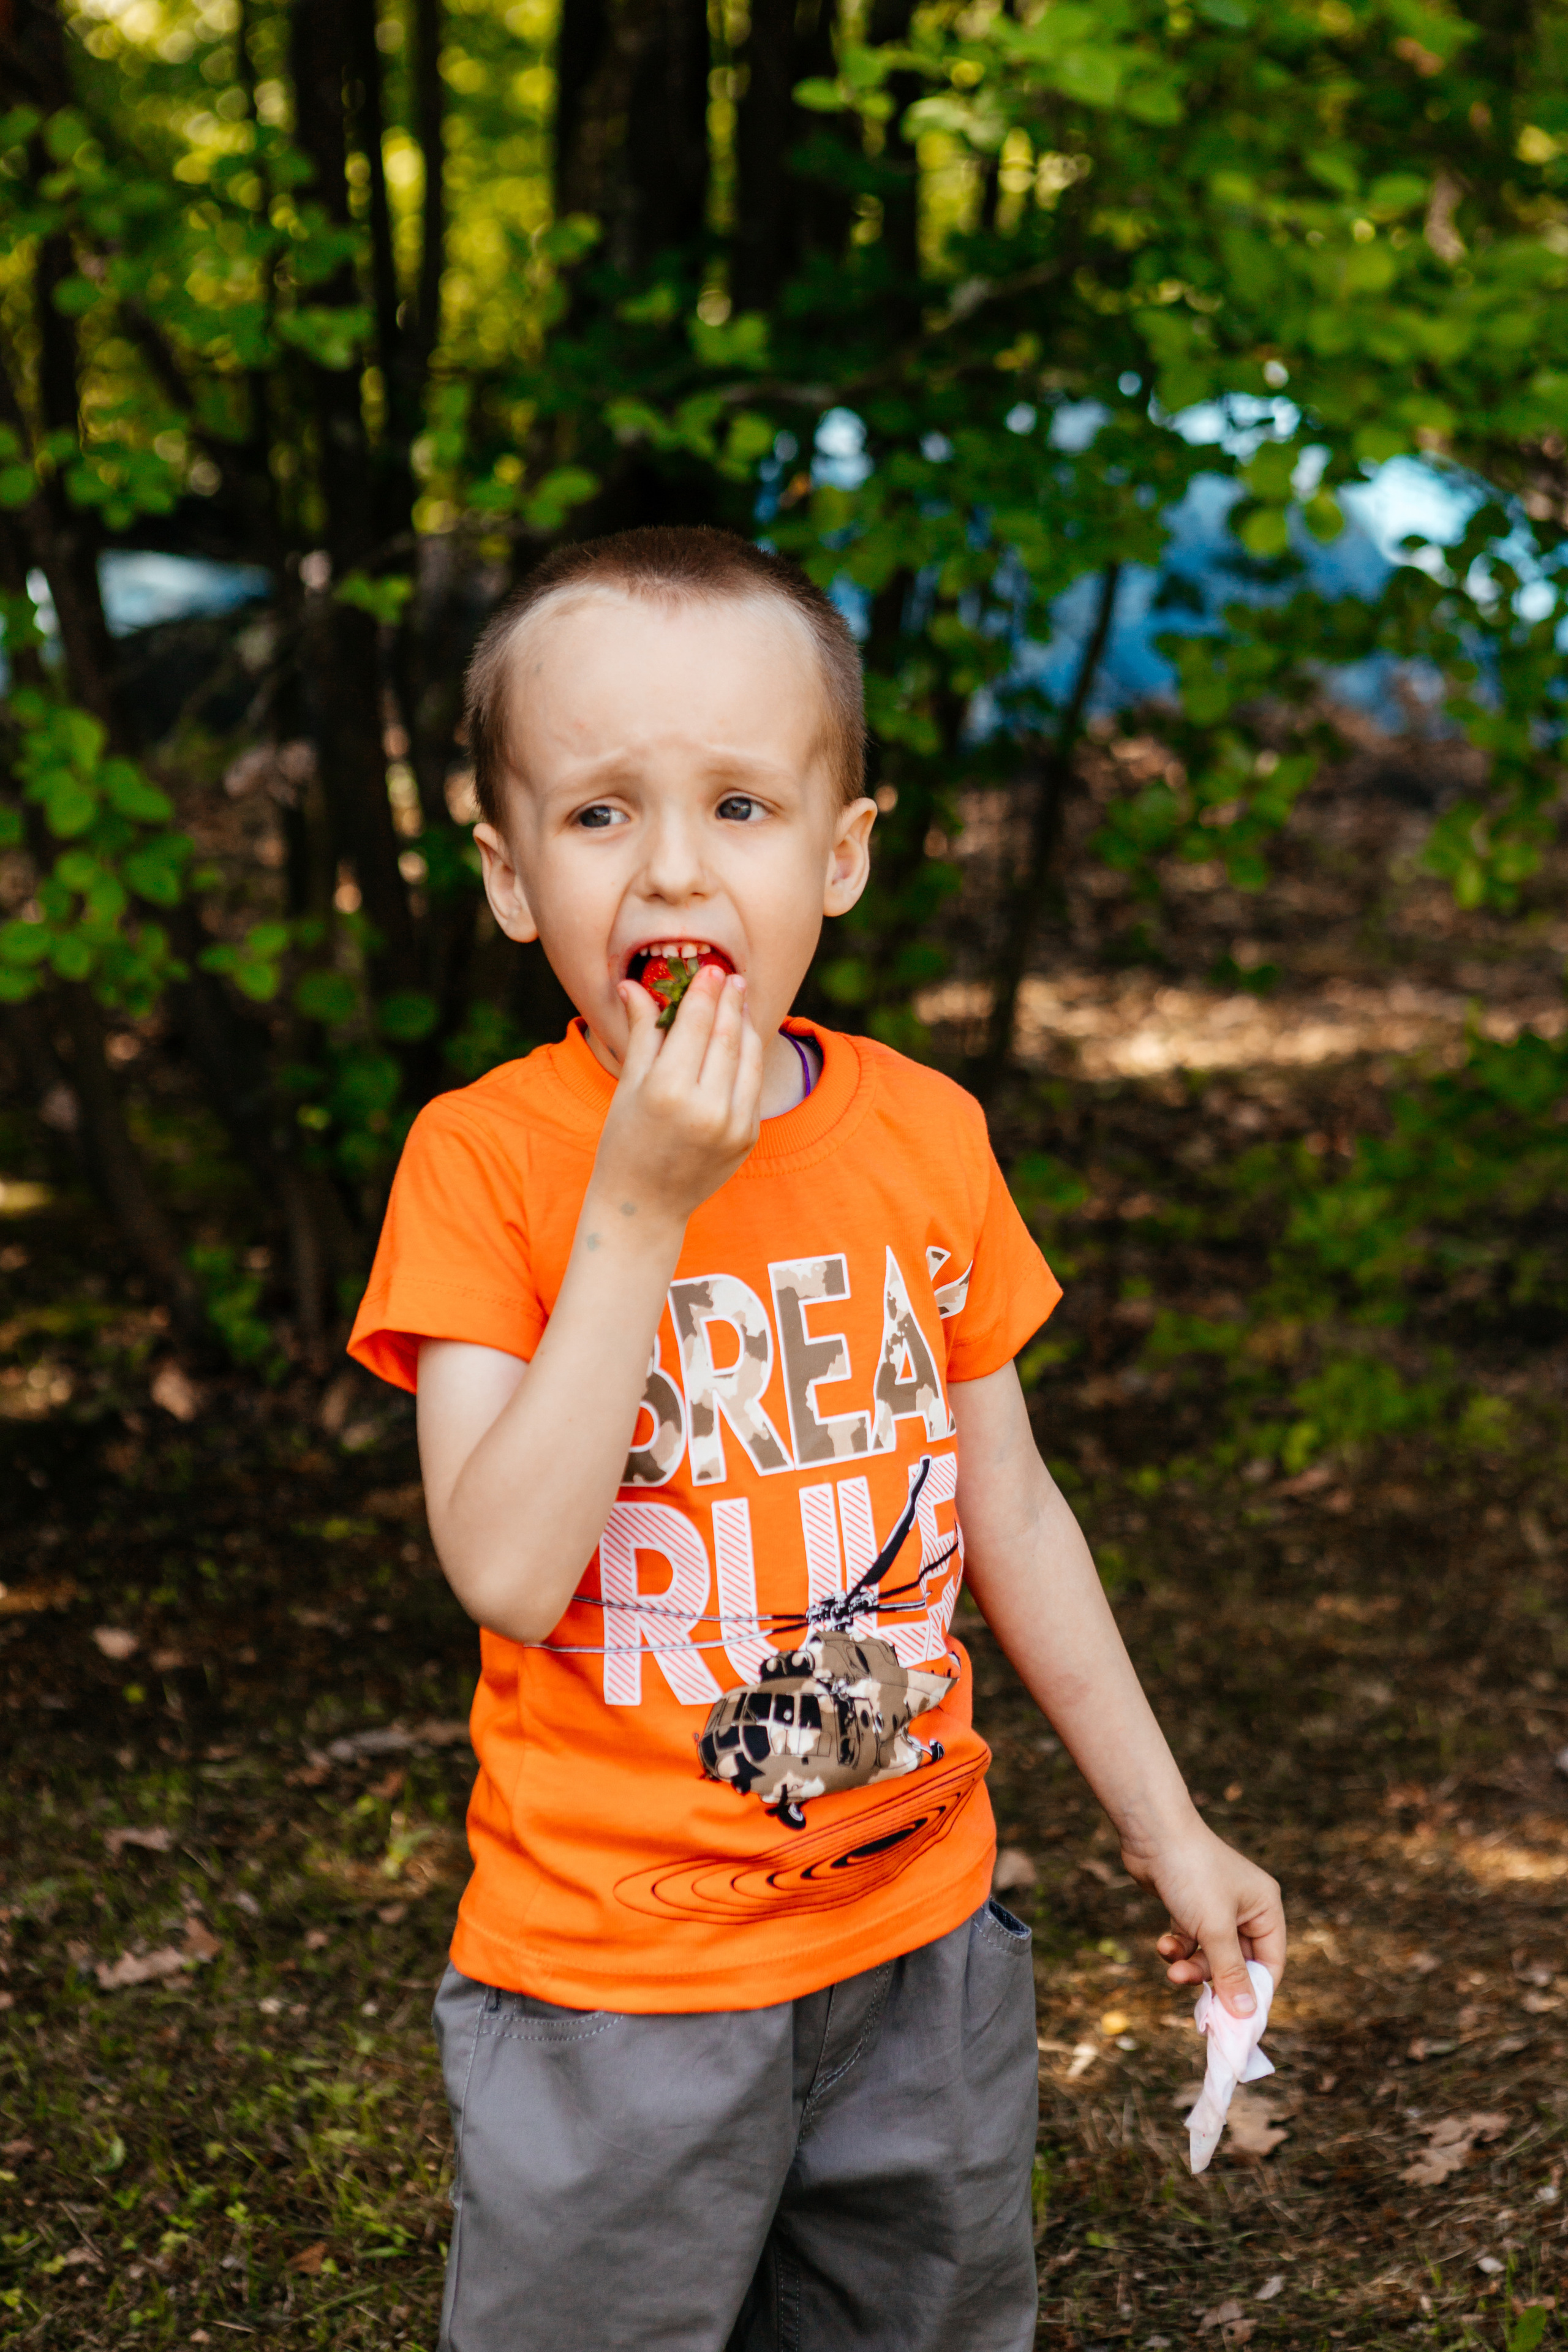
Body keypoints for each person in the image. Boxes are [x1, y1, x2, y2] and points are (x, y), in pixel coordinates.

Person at [348, 525, 1286, 2352]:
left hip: (922, 1957)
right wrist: (637, 1209)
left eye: (743, 810)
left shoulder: (922, 1135)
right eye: (601, 814)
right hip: (614, 1989)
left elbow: (1007, 1503)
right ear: (509, 879)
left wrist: (1169, 1832)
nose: (676, 864)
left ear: (843, 855)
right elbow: (509, 1567)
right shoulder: (488, 1163)